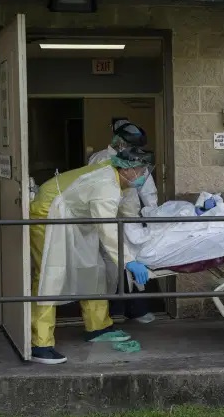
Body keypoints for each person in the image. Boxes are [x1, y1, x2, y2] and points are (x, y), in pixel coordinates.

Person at [29, 147, 155, 365]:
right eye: (141, 170)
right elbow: (107, 229)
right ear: (128, 169)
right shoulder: (106, 185)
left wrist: (147, 232)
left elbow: (128, 211)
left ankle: (98, 327)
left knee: (94, 268)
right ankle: (40, 344)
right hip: (49, 211)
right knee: (50, 275)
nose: (144, 175)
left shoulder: (120, 179)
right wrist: (129, 261)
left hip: (76, 218)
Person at [89, 120, 157, 324]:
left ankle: (135, 309)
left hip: (130, 219)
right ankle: (107, 313)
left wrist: (154, 217)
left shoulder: (135, 158)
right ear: (120, 143)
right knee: (109, 267)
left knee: (133, 262)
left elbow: (148, 190)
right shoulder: (100, 159)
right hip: (105, 217)